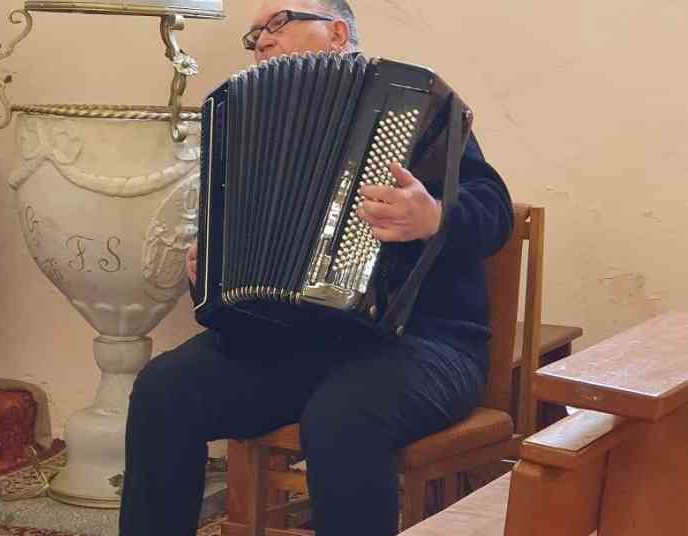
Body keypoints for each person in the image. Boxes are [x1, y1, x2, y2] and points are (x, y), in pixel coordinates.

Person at [119, 1, 513, 535]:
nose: (261, 40)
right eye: (254, 34)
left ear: (337, 34)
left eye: (278, 22)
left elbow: (493, 209)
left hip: (424, 345)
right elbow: (243, 256)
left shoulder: (410, 103)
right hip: (296, 345)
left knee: (342, 416)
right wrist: (209, 271)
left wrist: (434, 217)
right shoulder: (245, 120)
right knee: (163, 390)